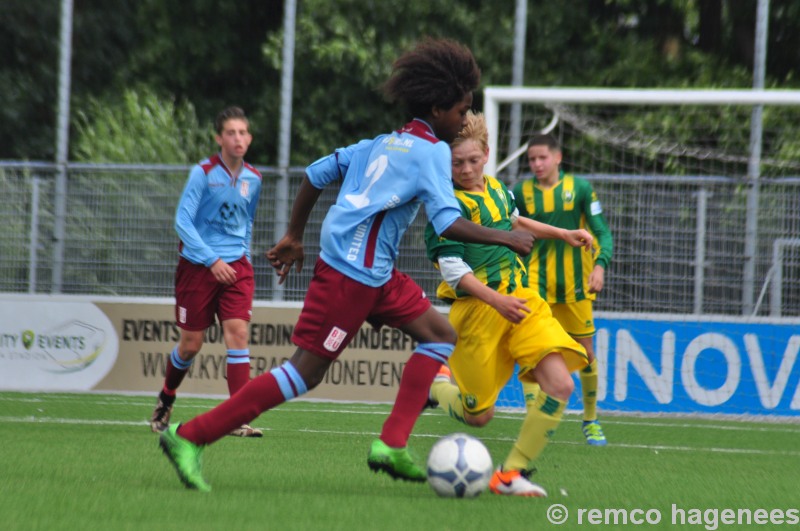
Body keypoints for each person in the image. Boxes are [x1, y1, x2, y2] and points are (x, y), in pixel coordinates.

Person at [157, 37, 535, 492]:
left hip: (373, 274)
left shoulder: (378, 144)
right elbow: (449, 222)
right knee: (303, 373)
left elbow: (314, 175)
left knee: (439, 336)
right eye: (461, 110)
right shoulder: (433, 151)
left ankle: (391, 446)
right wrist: (506, 237)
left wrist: (296, 235)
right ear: (437, 109)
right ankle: (188, 436)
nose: (464, 120)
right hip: (350, 277)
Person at [425, 111, 592, 497]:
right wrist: (495, 300)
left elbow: (516, 222)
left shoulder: (499, 189)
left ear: (486, 154)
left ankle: (509, 474)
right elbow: (453, 271)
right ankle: (436, 387)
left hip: (522, 300)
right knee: (478, 415)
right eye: (456, 163)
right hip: (479, 310)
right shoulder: (445, 207)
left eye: (472, 160)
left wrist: (563, 233)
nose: (465, 169)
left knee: (561, 384)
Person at [149, 106, 264, 438]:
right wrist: (212, 260)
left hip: (237, 267)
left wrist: (240, 255)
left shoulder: (254, 178)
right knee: (191, 345)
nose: (238, 138)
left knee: (238, 336)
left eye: (243, 132)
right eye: (231, 132)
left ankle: (237, 418)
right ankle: (166, 398)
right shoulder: (202, 172)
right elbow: (182, 223)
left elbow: (247, 222)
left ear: (250, 138)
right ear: (219, 138)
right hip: (199, 267)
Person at [512, 133, 614, 446]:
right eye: (531, 159)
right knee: (533, 351)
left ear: (558, 157)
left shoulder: (580, 189)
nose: (537, 164)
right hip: (534, 285)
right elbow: (509, 230)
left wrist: (600, 265)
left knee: (585, 354)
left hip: (575, 287)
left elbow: (601, 232)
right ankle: (535, 415)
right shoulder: (521, 192)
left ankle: (591, 419)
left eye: (542, 157)